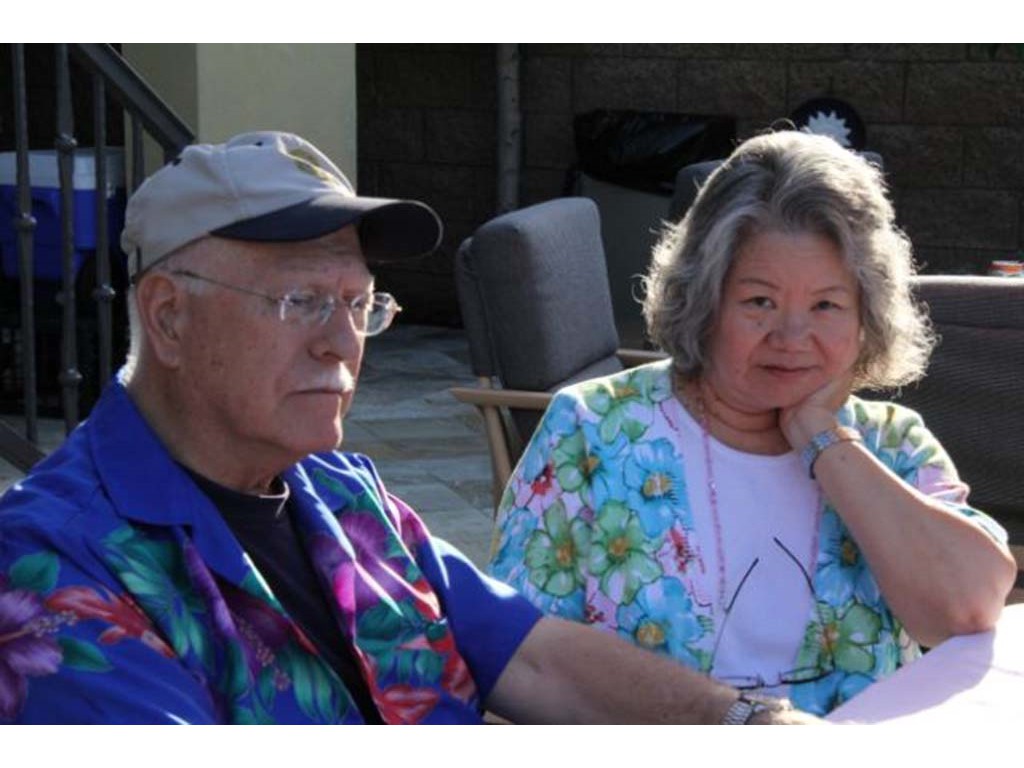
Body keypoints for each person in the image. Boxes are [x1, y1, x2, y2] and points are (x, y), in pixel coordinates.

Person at [0, 131, 815, 725]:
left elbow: (537, 658)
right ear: (169, 317)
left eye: (357, 303)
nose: (341, 341)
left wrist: (744, 723)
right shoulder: (49, 566)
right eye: (301, 301)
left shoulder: (343, 496)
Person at [488, 130, 1017, 716]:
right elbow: (515, 655)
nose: (792, 337)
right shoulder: (594, 430)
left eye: (826, 305)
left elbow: (967, 610)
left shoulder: (890, 442)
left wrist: (822, 437)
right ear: (705, 300)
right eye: (759, 301)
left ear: (866, 315)